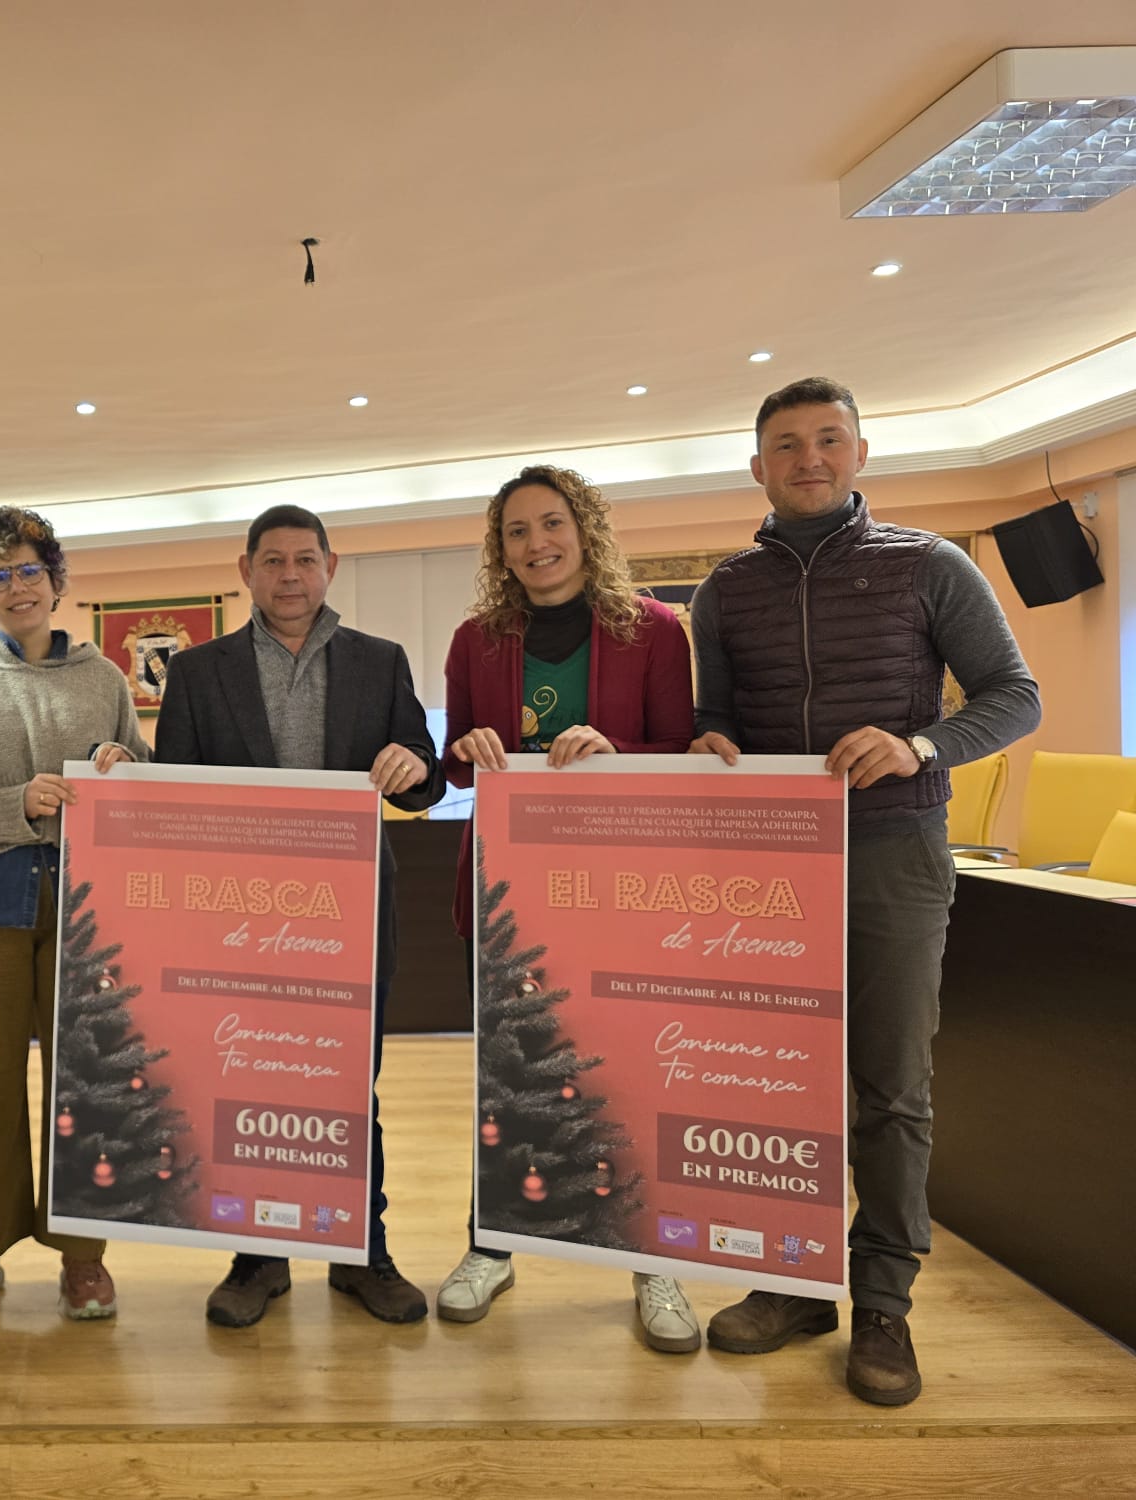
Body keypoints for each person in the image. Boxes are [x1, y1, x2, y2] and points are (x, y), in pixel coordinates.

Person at [690, 376, 1040, 1405]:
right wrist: (707, 743)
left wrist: (917, 741)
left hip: (892, 851)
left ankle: (881, 1300)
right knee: (776, 1083)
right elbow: (714, 718)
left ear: (857, 453)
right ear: (756, 467)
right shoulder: (721, 589)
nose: (807, 459)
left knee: (889, 1088)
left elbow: (1012, 697)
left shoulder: (926, 566)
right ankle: (790, 1282)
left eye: (826, 441)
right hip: (765, 867)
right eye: (786, 445)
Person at [154, 503, 444, 1327]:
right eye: (273, 560)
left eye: (304, 559)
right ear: (245, 571)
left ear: (330, 567)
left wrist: (409, 762)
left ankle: (364, 1255)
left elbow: (423, 782)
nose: (290, 575)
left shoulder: (377, 662)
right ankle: (258, 1256)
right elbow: (173, 804)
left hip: (351, 908)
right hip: (239, 921)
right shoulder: (198, 673)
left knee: (354, 1081)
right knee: (246, 1076)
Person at [434, 464, 700, 1349]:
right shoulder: (477, 638)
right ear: (499, 548)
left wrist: (613, 749)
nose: (536, 544)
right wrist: (467, 748)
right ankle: (491, 1245)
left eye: (552, 524)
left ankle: (652, 1255)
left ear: (584, 529)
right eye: (516, 531)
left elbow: (678, 751)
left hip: (620, 885)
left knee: (630, 1070)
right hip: (511, 886)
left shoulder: (655, 631)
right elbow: (459, 766)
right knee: (506, 1074)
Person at [0, 505, 147, 1325]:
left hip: (88, 913)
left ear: (56, 581)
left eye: (30, 571)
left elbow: (143, 779)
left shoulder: (106, 678)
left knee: (87, 1080)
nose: (17, 587)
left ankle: (83, 1254)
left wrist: (129, 762)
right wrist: (19, 804)